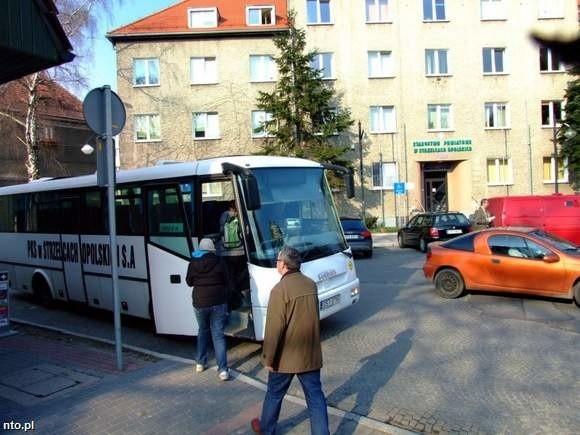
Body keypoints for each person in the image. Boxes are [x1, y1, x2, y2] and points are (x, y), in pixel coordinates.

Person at [251, 246, 329, 435]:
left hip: (284, 358)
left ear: (284, 265)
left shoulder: (279, 290)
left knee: (274, 394)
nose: (276, 264)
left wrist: (268, 358)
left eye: (277, 261)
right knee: (316, 398)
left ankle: (267, 429)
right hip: (309, 354)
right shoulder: (310, 284)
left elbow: (274, 328)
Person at [185, 238, 230, 381]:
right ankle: (223, 370)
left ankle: (200, 362)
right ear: (212, 250)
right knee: (218, 335)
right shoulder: (220, 262)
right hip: (218, 301)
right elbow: (226, 280)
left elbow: (189, 282)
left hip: (200, 302)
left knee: (203, 331)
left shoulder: (193, 263)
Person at [218, 200, 249, 310]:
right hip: (239, 252)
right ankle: (238, 292)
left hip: (226, 253)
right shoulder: (240, 216)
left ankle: (232, 297)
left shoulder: (223, 216)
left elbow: (221, 232)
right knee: (244, 272)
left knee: (230, 276)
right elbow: (246, 232)